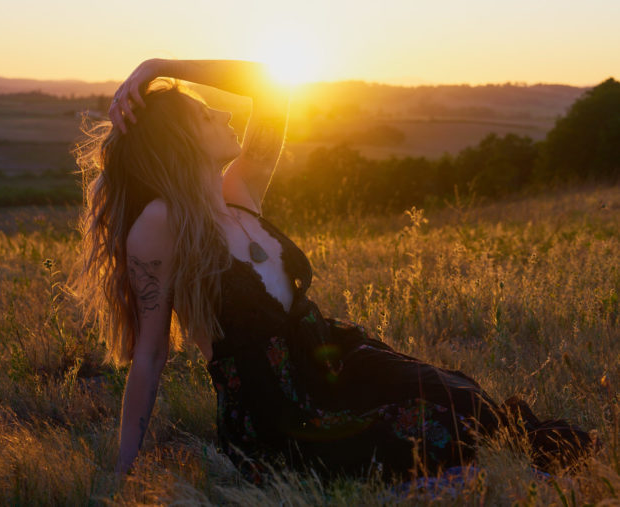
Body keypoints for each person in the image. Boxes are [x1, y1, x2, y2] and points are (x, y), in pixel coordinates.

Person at [75, 58, 594, 484]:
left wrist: (162, 66)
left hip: (334, 358)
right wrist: (124, 468)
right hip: (277, 404)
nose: (227, 118)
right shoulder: (162, 222)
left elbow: (269, 89)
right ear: (182, 139)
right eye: (208, 117)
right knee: (429, 434)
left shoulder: (240, 190)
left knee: (460, 399)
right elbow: (149, 355)